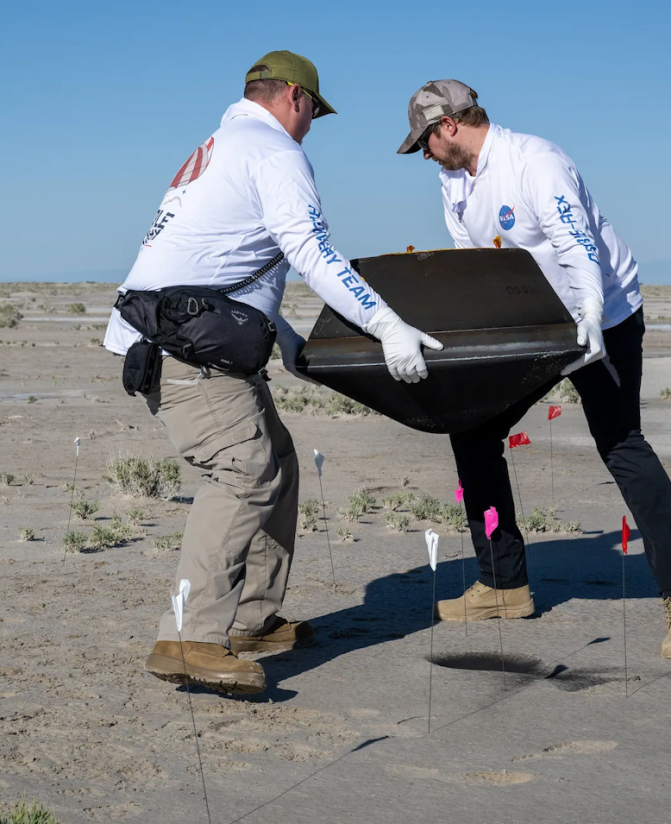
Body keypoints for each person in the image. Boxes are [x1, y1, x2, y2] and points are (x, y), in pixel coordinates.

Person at [104, 51, 442, 694]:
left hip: (187, 340)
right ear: (293, 96)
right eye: (313, 109)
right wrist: (388, 325)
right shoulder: (273, 151)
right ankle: (188, 637)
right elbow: (310, 250)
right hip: (192, 352)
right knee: (243, 473)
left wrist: (283, 335)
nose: (312, 123)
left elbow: (223, 261)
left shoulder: (220, 147)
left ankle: (255, 618)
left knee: (278, 462)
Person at [396, 80, 671, 659]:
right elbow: (473, 267)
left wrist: (592, 316)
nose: (423, 154)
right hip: (535, 325)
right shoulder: (453, 181)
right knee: (472, 431)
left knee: (621, 445)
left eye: (424, 140)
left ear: (449, 126)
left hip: (605, 316)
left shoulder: (535, 163)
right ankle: (503, 584)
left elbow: (577, 245)